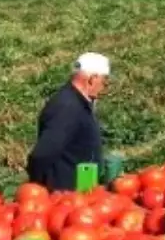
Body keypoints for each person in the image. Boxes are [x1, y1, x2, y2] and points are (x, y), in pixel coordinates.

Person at [26, 52, 109, 191]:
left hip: (80, 190)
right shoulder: (68, 107)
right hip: (65, 196)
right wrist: (37, 186)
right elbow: (42, 153)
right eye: (104, 82)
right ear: (92, 79)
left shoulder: (78, 102)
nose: (104, 88)